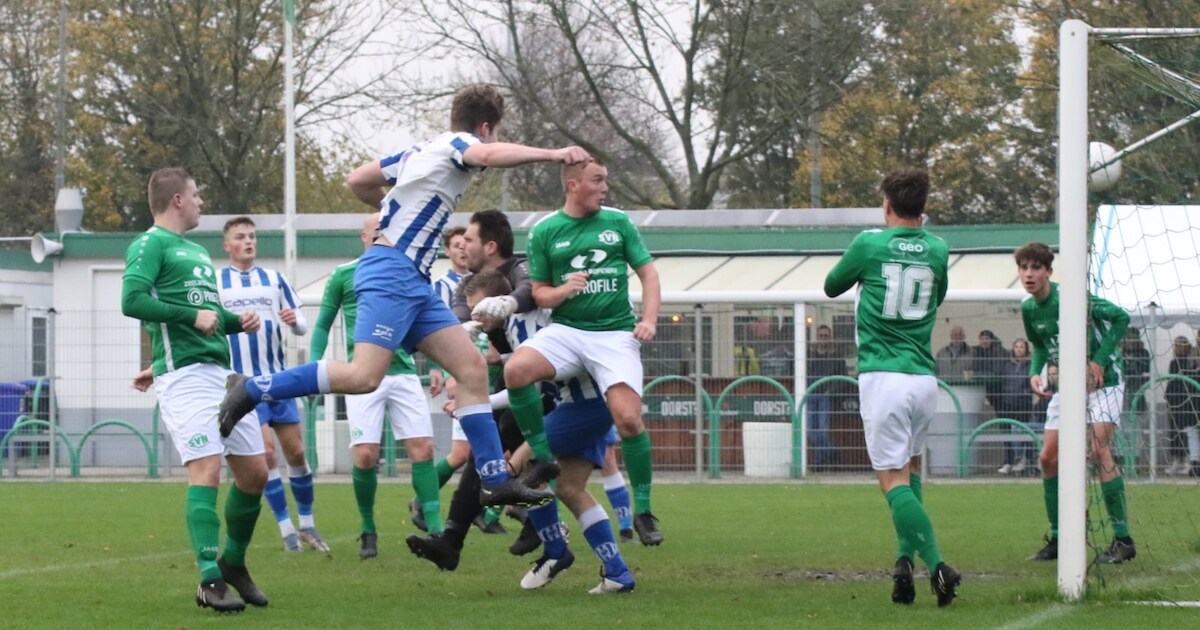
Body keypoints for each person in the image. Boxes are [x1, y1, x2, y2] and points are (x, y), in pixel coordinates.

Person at [218, 84, 587, 508]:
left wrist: (392, 206)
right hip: (392, 272)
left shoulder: (418, 153)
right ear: (485, 128)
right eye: (495, 134)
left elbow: (358, 179)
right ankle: (254, 387)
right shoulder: (459, 144)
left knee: (469, 368)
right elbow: (486, 155)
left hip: (414, 280)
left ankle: (491, 478)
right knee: (363, 376)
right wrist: (554, 154)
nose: (493, 142)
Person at [124, 167, 269, 613]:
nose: (202, 201)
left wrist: (233, 321)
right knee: (207, 468)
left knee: (255, 474)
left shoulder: (196, 252)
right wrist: (190, 322)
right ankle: (208, 581)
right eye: (196, 194)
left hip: (220, 375)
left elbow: (205, 314)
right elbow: (132, 300)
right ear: (177, 201)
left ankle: (233, 564)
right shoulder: (149, 243)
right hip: (184, 379)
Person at [502, 158, 665, 548]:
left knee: (628, 420)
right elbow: (540, 293)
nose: (605, 187)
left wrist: (649, 319)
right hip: (568, 331)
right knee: (517, 370)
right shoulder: (545, 231)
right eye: (597, 180)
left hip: (613, 335)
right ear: (572, 185)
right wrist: (564, 291)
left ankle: (642, 510)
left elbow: (649, 273)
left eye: (606, 180)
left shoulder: (618, 222)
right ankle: (541, 457)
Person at [823, 167, 960, 607]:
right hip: (923, 377)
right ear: (923, 206)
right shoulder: (938, 249)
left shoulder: (869, 243)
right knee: (911, 468)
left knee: (890, 477)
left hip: (883, 376)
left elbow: (830, 287)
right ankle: (904, 565)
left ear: (886, 205)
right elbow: (935, 297)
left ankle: (938, 566)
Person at [310, 215, 443, 560]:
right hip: (362, 375)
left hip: (402, 373)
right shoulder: (343, 274)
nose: (384, 234)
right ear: (364, 235)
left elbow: (427, 323)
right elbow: (323, 323)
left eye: (389, 229)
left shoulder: (405, 270)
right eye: (378, 229)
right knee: (366, 455)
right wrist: (314, 366)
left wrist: (441, 366)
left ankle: (438, 529)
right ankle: (368, 529)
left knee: (423, 449)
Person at [1016, 241, 1136, 564]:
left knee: (1098, 450)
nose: (1028, 274)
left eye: (1035, 268)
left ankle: (1123, 539)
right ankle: (1059, 538)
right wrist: (1034, 373)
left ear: (1048, 272)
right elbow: (1040, 345)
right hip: (1067, 386)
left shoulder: (1072, 297)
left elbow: (1121, 318)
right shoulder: (1028, 309)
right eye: (1024, 268)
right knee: (1047, 458)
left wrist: (1097, 361)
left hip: (1104, 381)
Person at [217, 216, 328, 554]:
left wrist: (296, 322)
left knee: (296, 452)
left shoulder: (274, 279)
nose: (248, 241)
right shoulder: (216, 282)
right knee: (265, 454)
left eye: (252, 236)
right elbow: (208, 325)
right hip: (242, 383)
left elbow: (300, 324)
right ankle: (286, 530)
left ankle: (307, 523)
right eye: (240, 236)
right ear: (227, 245)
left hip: (277, 379)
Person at [416, 224, 472, 532]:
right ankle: (424, 501)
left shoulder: (487, 281)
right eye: (457, 245)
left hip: (490, 373)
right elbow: (433, 333)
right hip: (462, 375)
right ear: (448, 251)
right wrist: (441, 370)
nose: (463, 248)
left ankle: (481, 512)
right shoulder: (440, 287)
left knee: (488, 451)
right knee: (464, 452)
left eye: (468, 243)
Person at [806, 324, 847, 470]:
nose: (823, 338)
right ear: (817, 337)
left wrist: (832, 391)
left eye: (826, 336)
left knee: (822, 430)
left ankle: (819, 463)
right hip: (810, 395)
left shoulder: (836, 356)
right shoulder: (809, 355)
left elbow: (843, 376)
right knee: (811, 431)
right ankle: (832, 453)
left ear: (830, 338)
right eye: (821, 336)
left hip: (826, 397)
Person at [997, 338, 1036, 475]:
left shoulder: (1031, 365)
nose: (1019, 349)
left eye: (1022, 347)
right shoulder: (1006, 365)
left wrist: (1024, 392)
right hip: (1008, 403)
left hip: (1023, 405)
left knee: (1024, 432)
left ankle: (1023, 461)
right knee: (1008, 434)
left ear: (1026, 349)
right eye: (1016, 347)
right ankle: (1008, 461)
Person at [1165, 335, 1199, 476]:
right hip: (1176, 400)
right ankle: (1182, 461)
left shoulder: (1191, 360)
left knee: (1191, 430)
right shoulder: (1175, 362)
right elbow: (1172, 381)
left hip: (1191, 400)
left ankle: (1192, 461)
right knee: (1179, 431)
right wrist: (1168, 396)